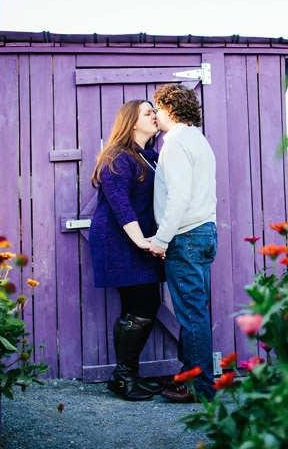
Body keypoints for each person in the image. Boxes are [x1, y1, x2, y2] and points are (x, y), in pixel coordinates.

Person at [89, 100, 164, 401]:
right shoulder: (117, 157)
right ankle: (123, 376)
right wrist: (140, 240)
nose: (155, 116)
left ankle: (126, 376)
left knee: (136, 306)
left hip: (136, 238)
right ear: (132, 122)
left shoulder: (149, 157)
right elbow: (120, 201)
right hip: (118, 240)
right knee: (144, 302)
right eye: (148, 113)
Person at [148, 83, 218, 403]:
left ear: (170, 109)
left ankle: (198, 387)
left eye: (158, 108)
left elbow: (178, 198)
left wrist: (162, 240)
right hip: (204, 232)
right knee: (196, 313)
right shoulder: (199, 140)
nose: (156, 115)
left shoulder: (174, 143)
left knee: (191, 315)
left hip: (186, 236)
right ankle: (194, 379)